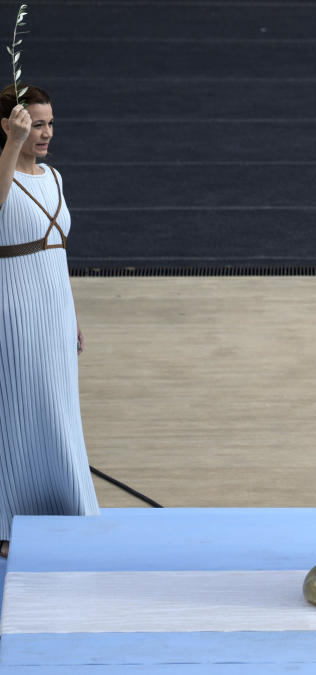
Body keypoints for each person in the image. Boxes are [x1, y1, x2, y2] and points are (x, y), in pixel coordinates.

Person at [0, 84, 99, 560]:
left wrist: (73, 313)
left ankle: (69, 508)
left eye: (49, 123)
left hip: (54, 309)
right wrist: (11, 147)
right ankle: (6, 523)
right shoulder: (2, 172)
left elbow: (58, 250)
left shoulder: (54, 176)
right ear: (10, 125)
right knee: (15, 412)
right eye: (36, 124)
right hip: (14, 309)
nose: (46, 133)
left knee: (58, 409)